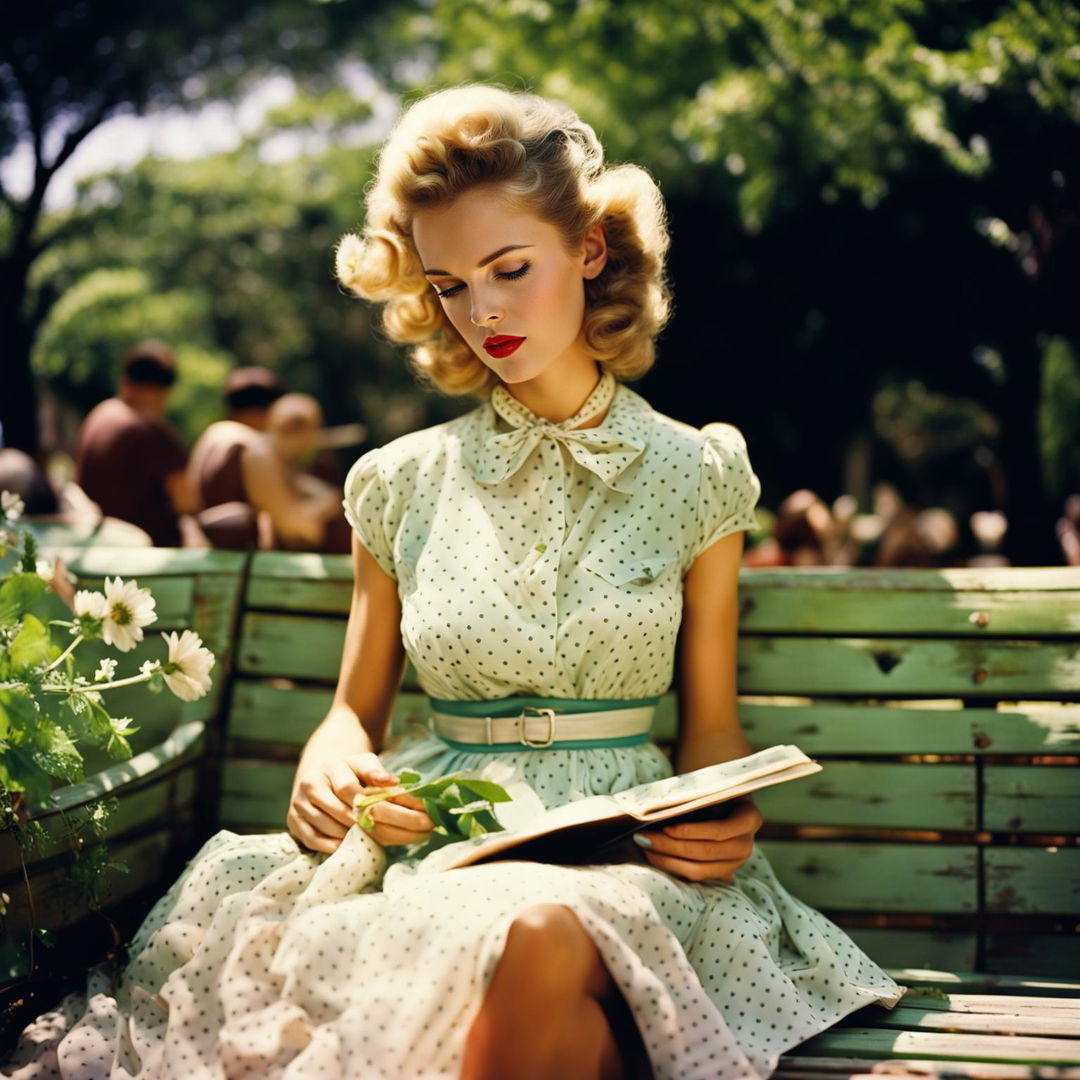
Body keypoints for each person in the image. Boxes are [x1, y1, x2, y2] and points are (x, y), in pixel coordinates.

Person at [3, 86, 902, 1079]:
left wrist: (725, 812)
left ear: (590, 251)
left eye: (510, 268)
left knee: (541, 933)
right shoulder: (397, 483)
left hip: (630, 857)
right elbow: (353, 710)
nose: (483, 312)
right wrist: (329, 764)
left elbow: (712, 730)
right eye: (448, 285)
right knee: (544, 997)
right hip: (438, 838)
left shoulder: (699, 474)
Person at [74, 340, 197, 546]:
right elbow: (187, 502)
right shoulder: (150, 430)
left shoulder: (100, 413)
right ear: (164, 389)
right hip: (144, 553)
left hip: (94, 541)